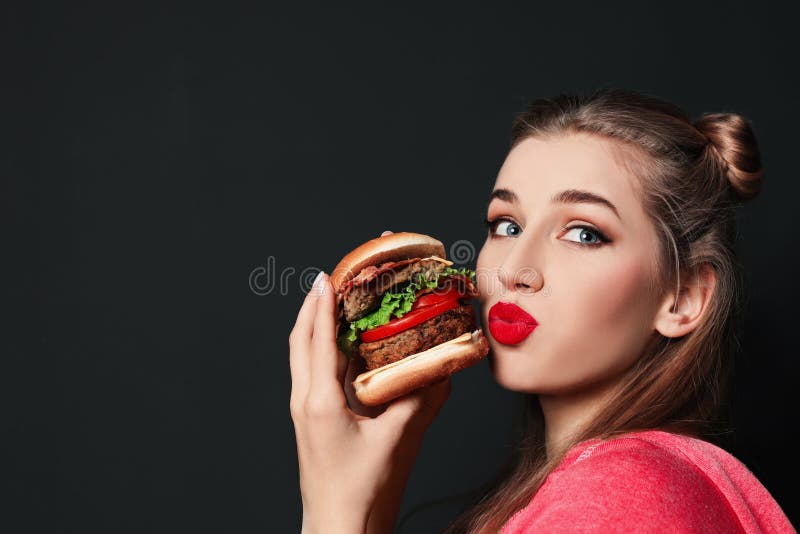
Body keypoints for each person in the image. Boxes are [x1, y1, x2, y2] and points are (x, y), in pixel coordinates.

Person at [289, 88, 795, 533]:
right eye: (506, 225)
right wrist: (384, 474)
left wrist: (333, 511)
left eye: (583, 233)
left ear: (683, 298)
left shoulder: (615, 501)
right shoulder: (626, 486)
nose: (515, 269)